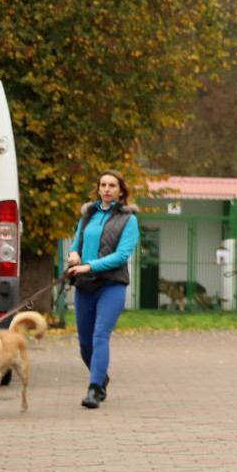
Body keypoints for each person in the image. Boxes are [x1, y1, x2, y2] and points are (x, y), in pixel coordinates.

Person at [65, 170, 140, 409]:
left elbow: (120, 256)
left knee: (100, 336)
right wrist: (74, 254)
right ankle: (101, 376)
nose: (107, 189)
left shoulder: (129, 219)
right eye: (103, 185)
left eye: (112, 185)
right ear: (98, 189)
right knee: (85, 344)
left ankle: (95, 388)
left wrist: (89, 266)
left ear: (121, 191)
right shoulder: (88, 214)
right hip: (85, 286)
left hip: (112, 285)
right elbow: (76, 242)